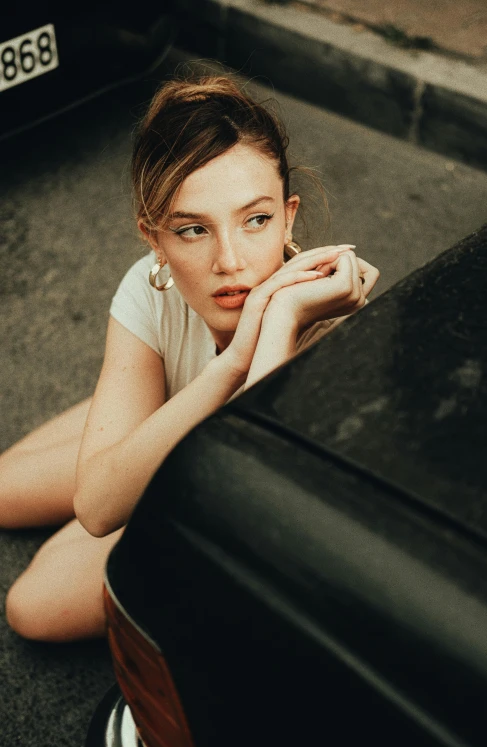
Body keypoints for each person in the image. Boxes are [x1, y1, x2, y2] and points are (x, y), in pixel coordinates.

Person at [1, 73, 379, 643]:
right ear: (154, 239)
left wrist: (274, 330)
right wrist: (226, 365)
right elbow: (99, 505)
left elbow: (251, 508)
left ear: (289, 215)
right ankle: (143, 399)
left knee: (32, 607)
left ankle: (143, 409)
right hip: (186, 412)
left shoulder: (334, 325)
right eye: (193, 230)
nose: (230, 260)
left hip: (223, 506)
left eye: (256, 219)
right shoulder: (150, 287)